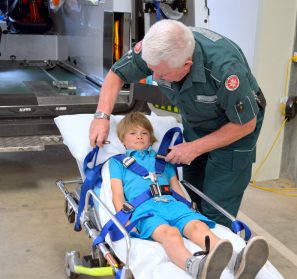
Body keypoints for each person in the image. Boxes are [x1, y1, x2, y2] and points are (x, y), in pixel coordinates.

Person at [89, 19, 266, 228]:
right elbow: (117, 73)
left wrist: (195, 147)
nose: (155, 77)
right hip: (196, 118)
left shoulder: (225, 71)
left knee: (217, 202)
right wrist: (101, 116)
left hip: (235, 127)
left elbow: (245, 124)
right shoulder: (156, 48)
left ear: (186, 65)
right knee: (192, 191)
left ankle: (217, 246)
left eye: (162, 74)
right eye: (152, 70)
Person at [108, 112, 269, 279]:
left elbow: (175, 186)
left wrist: (189, 208)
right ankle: (196, 268)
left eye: (144, 133)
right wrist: (125, 220)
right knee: (170, 234)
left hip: (173, 205)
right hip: (145, 210)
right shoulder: (117, 163)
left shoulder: (163, 160)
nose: (139, 136)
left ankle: (236, 262)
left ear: (151, 137)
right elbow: (117, 194)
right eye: (133, 133)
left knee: (198, 227)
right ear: (122, 140)